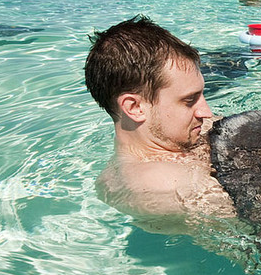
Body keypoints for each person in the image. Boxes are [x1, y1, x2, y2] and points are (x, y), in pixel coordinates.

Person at [84, 16, 235, 223]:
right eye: (189, 100)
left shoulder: (182, 132)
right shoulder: (159, 186)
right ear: (134, 107)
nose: (206, 112)